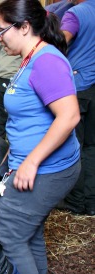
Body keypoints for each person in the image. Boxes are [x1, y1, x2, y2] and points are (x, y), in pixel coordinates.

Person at [0, 0, 81, 274]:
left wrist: (31, 160)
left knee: (10, 228)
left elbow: (69, 116)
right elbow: (32, 113)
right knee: (27, 229)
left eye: (2, 30)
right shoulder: (30, 58)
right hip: (33, 163)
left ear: (24, 27)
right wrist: (17, 149)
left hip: (48, 169)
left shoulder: (46, 61)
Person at [57, 0, 95, 216]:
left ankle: (75, 201)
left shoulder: (76, 13)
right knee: (92, 147)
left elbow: (62, 40)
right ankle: (91, 202)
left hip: (79, 87)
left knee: (75, 146)